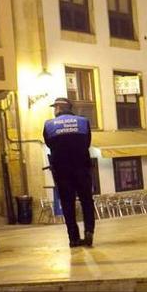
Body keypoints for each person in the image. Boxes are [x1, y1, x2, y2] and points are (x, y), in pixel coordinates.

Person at [43, 97, 95, 248]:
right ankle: (89, 232)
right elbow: (87, 143)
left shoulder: (49, 125)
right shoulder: (83, 122)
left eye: (55, 108)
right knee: (86, 201)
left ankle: (73, 238)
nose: (54, 111)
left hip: (62, 170)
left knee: (67, 203)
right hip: (82, 167)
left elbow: (48, 143)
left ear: (59, 108)